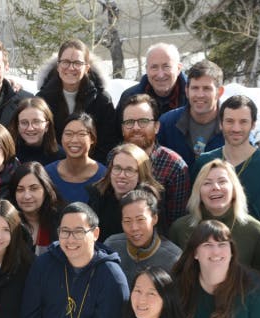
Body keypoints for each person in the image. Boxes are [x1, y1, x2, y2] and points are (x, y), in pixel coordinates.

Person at [194, 95, 260, 235]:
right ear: (220, 123)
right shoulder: (204, 162)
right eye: (230, 121)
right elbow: (193, 209)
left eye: (243, 122)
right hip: (207, 244)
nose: (236, 128)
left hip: (250, 246)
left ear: (253, 124)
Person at [169, 159, 260, 273]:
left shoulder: (255, 232)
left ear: (234, 189)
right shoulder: (180, 228)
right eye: (207, 183)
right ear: (198, 192)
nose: (216, 187)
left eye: (222, 181)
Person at [35, 39, 119, 159]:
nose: (71, 67)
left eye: (77, 63)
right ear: (58, 66)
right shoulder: (42, 99)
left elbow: (108, 141)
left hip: (92, 168)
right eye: (65, 62)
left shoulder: (101, 99)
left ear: (87, 68)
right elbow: (40, 141)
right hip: (52, 168)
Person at [119, 93, 190, 224]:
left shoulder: (174, 166)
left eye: (143, 121)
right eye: (129, 122)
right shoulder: (114, 158)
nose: (135, 127)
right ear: (123, 128)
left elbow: (176, 222)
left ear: (156, 127)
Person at [103, 187, 180, 285]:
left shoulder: (173, 258)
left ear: (154, 218)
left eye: (140, 220)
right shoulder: (111, 246)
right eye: (127, 221)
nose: (134, 228)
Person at [156, 60, 226, 166]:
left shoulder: (233, 126)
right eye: (195, 88)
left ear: (219, 92)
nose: (200, 95)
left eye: (207, 88)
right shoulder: (167, 124)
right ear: (187, 91)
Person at [87, 143, 164, 239]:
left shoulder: (150, 201)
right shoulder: (97, 194)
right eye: (117, 168)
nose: (122, 175)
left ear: (140, 174)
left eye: (129, 170)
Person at [44, 113, 107, 203]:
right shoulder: (47, 174)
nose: (74, 140)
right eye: (68, 134)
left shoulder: (103, 176)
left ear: (92, 139)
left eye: (81, 134)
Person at [116, 43, 188, 118]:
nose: (160, 75)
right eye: (154, 67)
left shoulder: (194, 96)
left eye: (166, 66)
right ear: (147, 69)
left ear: (178, 68)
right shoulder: (129, 97)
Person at [8, 161, 65, 254]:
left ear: (46, 189)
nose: (27, 196)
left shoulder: (63, 220)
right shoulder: (6, 221)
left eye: (34, 188)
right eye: (20, 190)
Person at [8, 97, 64, 165]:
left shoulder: (61, 157)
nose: (30, 128)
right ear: (17, 125)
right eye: (24, 122)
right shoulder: (8, 154)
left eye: (36, 122)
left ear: (47, 126)